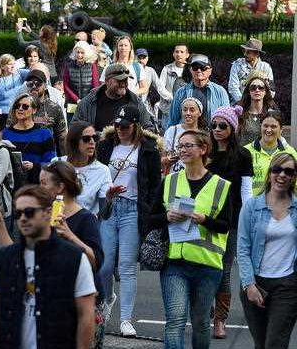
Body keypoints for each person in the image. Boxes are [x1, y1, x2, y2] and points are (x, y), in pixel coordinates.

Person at [0, 185, 96, 348]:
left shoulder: (74, 258)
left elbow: (86, 315)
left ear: (48, 213)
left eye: (29, 212)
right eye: (18, 214)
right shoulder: (5, 259)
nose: (23, 219)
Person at [147, 130, 231, 349]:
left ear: (203, 149)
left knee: (201, 322)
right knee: (175, 320)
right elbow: (149, 219)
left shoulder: (221, 186)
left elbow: (226, 226)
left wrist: (204, 219)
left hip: (207, 264)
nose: (182, 150)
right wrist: (166, 216)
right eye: (180, 146)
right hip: (175, 263)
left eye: (188, 146)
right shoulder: (169, 181)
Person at [96, 104, 162, 336]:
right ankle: (108, 298)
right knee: (104, 266)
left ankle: (126, 319)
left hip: (133, 210)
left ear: (135, 126)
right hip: (109, 208)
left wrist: (151, 214)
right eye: (117, 125)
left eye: (125, 126)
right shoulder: (105, 146)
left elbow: (155, 185)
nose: (120, 130)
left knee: (127, 267)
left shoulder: (149, 150)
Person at [39, 160, 106, 346]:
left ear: (60, 187)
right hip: (53, 298)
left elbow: (96, 262)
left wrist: (69, 235)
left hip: (84, 301)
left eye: (43, 183)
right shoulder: (43, 216)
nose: (39, 188)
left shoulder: (86, 219)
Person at [237, 153, 297, 349]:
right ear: (269, 173)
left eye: (288, 171)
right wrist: (249, 285)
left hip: (287, 285)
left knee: (275, 344)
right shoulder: (251, 207)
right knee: (261, 344)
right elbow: (243, 249)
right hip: (256, 284)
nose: (282, 175)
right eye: (277, 170)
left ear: (294, 176)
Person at [205, 106, 253, 338]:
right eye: (213, 125)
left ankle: (219, 320)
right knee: (205, 268)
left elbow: (247, 193)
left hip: (232, 221)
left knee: (223, 270)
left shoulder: (243, 155)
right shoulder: (204, 152)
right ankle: (206, 312)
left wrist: (248, 221)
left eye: (222, 125)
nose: (216, 129)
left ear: (232, 128)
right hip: (204, 218)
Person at [74, 64, 154, 132]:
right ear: (107, 81)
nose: (123, 84)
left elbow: (148, 128)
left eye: (125, 80)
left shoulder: (135, 102)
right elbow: (75, 130)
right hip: (97, 148)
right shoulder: (89, 102)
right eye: (119, 81)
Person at [57, 121, 113, 217]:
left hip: (84, 226)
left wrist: (109, 199)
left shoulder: (102, 170)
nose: (92, 142)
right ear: (74, 142)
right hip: (58, 222)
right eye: (86, 139)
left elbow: (105, 215)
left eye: (95, 138)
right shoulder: (57, 164)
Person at [2, 93, 55, 184]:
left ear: (34, 110)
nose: (20, 108)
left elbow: (51, 163)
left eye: (25, 106)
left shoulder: (44, 133)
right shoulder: (5, 134)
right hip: (11, 185)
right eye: (17, 106)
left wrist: (34, 166)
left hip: (36, 185)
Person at [244, 110, 297, 195]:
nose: (268, 130)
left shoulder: (290, 153)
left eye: (273, 126)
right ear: (260, 126)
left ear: (281, 129)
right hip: (253, 206)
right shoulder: (245, 152)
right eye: (265, 126)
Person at [169, 54, 230, 126]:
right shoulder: (181, 92)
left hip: (210, 135)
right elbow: (173, 120)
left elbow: (226, 118)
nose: (199, 70)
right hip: (187, 134)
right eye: (195, 67)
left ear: (210, 70)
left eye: (203, 67)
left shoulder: (220, 92)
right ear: (190, 70)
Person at [21, 69, 68, 152]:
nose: (34, 87)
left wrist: (64, 159)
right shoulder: (19, 107)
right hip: (24, 155)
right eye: (30, 84)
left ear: (45, 86)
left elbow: (62, 136)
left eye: (38, 84)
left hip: (47, 157)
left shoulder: (54, 108)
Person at [162, 97, 206, 174]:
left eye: (192, 110)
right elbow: (162, 157)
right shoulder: (172, 131)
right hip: (174, 177)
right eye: (185, 110)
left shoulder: (203, 135)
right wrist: (167, 160)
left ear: (199, 113)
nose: (188, 113)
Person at [0, 54, 29, 126]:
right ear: (2, 66)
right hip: (0, 115)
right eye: (10, 64)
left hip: (18, 113)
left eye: (14, 63)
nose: (13, 66)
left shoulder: (20, 73)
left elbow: (34, 72)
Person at [237, 72, 278, 146]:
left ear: (265, 92)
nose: (257, 90)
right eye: (253, 88)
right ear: (249, 92)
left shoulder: (272, 114)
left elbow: (278, 139)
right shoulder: (239, 113)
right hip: (243, 155)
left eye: (261, 88)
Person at [228, 38, 273, 104]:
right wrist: (242, 102)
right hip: (240, 103)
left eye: (248, 52)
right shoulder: (237, 65)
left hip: (260, 105)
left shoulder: (266, 67)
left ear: (257, 54)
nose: (245, 54)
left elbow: (271, 90)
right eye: (244, 51)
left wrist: (260, 103)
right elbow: (232, 87)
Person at [157, 44, 190, 131]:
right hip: (168, 108)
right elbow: (160, 87)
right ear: (173, 54)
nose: (179, 54)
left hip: (186, 109)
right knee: (167, 133)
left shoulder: (191, 69)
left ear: (187, 55)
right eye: (177, 52)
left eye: (182, 52)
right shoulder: (167, 69)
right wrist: (173, 98)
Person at [61, 40, 100, 105]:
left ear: (87, 53)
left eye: (82, 53)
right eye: (77, 52)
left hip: (88, 102)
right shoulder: (68, 66)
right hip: (72, 102)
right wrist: (77, 100)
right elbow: (66, 86)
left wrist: (87, 100)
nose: (79, 55)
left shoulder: (92, 66)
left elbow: (95, 86)